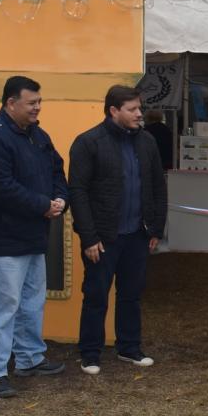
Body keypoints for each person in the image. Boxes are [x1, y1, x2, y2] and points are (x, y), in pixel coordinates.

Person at [0, 76, 69, 399]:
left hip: (34, 236)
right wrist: (42, 205)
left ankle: (30, 357)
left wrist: (60, 198)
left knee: (32, 301)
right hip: (2, 241)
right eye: (32, 103)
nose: (37, 108)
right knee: (1, 307)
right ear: (10, 103)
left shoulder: (38, 135)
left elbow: (58, 169)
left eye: (39, 102)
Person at [69, 85, 167, 375]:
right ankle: (90, 353)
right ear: (114, 111)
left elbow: (158, 188)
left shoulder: (147, 142)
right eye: (133, 109)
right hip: (102, 238)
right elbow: (78, 192)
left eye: (139, 108)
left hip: (137, 235)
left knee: (131, 294)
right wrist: (88, 237)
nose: (140, 114)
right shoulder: (88, 143)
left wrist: (156, 229)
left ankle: (129, 348)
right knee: (96, 294)